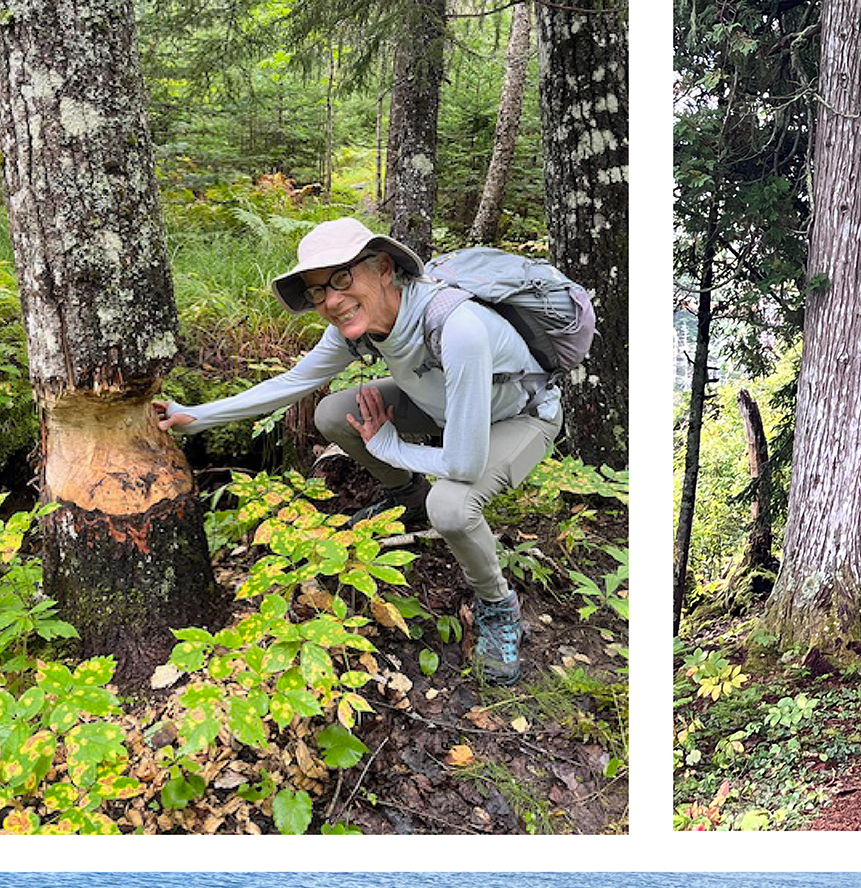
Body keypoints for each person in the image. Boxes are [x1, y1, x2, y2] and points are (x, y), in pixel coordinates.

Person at [153, 216, 562, 683]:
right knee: (333, 414)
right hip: (446, 407)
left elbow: (464, 465)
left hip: (519, 418)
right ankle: (408, 498)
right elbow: (293, 382)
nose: (331, 301)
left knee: (450, 507)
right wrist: (198, 415)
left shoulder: (457, 328)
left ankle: (497, 604)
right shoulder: (360, 326)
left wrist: (390, 448)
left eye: (342, 279)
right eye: (317, 291)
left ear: (384, 267)